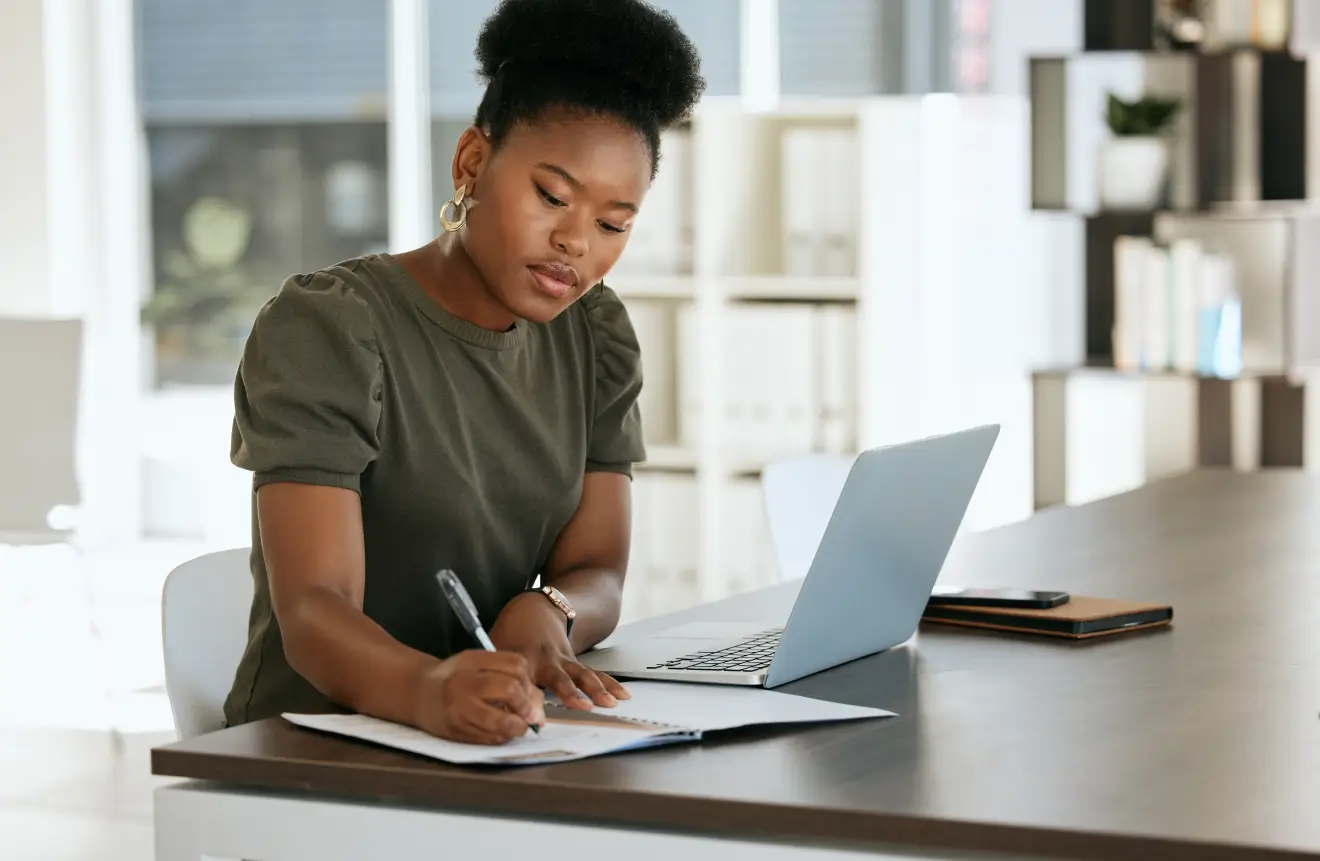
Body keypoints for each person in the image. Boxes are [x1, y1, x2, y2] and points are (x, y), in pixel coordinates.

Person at [221, 0, 705, 745]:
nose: (577, 242)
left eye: (614, 223)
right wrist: (428, 686)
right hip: (321, 747)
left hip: (504, 736)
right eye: (552, 195)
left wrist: (549, 609)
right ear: (473, 163)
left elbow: (598, 567)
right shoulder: (331, 327)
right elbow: (315, 608)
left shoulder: (597, 335)